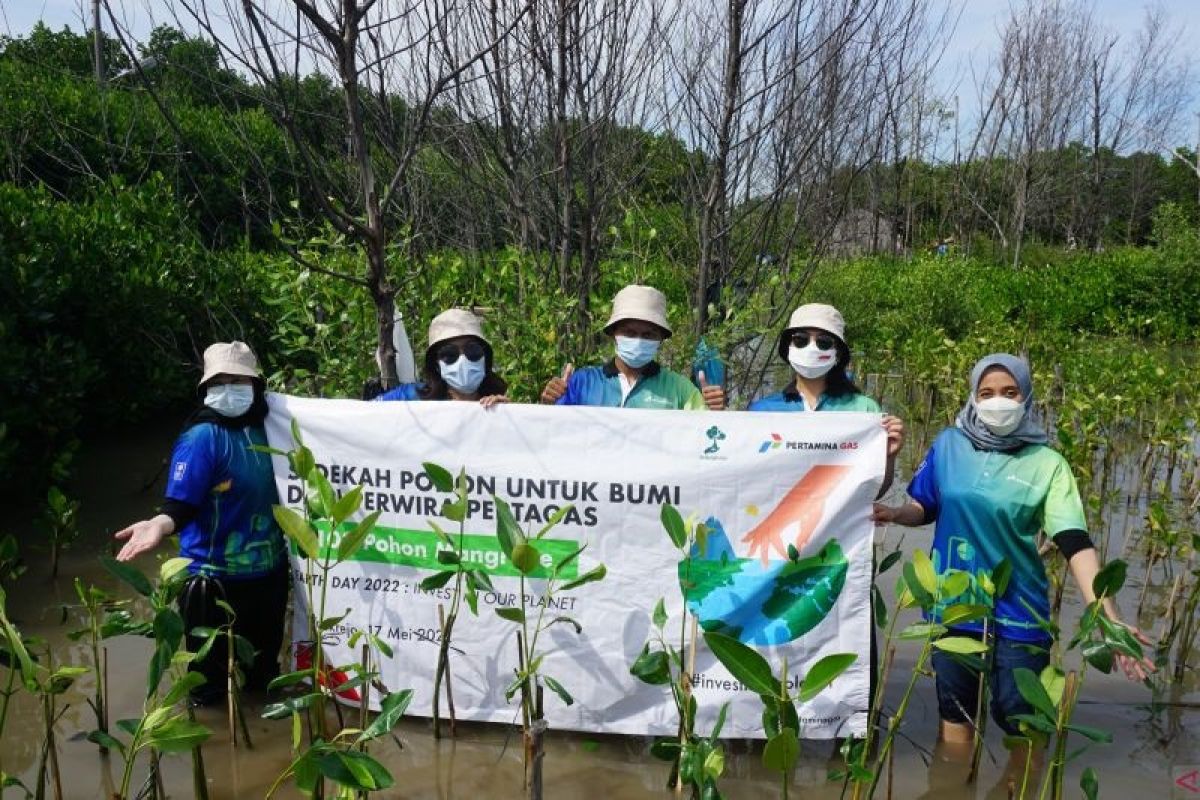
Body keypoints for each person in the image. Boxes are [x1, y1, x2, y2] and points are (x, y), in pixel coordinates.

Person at [872, 353, 1153, 747]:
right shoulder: (948, 445)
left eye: (1009, 392)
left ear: (1027, 398)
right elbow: (927, 505)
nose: (997, 401)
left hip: (1019, 615)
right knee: (955, 720)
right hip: (953, 608)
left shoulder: (1048, 464)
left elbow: (1075, 543)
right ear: (972, 397)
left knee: (1021, 726)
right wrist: (896, 513)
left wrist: (1106, 615)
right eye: (986, 393)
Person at [115, 341, 288, 705]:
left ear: (257, 387)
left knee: (265, 678)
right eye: (219, 382)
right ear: (205, 389)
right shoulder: (202, 437)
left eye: (238, 381)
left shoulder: (275, 428)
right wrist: (159, 526)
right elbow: (180, 505)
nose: (229, 390)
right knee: (208, 689)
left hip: (268, 576)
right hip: (212, 582)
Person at [747, 303, 904, 490]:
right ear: (788, 347)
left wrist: (889, 457)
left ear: (837, 353)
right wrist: (715, 418)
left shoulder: (865, 411)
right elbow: (748, 483)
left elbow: (872, 493)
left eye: (824, 342)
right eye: (801, 340)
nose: (812, 348)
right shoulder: (761, 411)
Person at [539, 284, 725, 410]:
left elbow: (705, 438)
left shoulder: (681, 390)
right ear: (613, 333)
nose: (638, 340)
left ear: (661, 338)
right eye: (629, 332)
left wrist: (715, 412)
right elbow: (554, 433)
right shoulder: (581, 383)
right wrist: (548, 404)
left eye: (648, 335)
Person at [375, 308, 509, 407]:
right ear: (436, 364)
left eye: (472, 350)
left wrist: (505, 413)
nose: (463, 359)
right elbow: (365, 415)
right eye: (449, 354)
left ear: (485, 357)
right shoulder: (411, 396)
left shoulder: (497, 406)